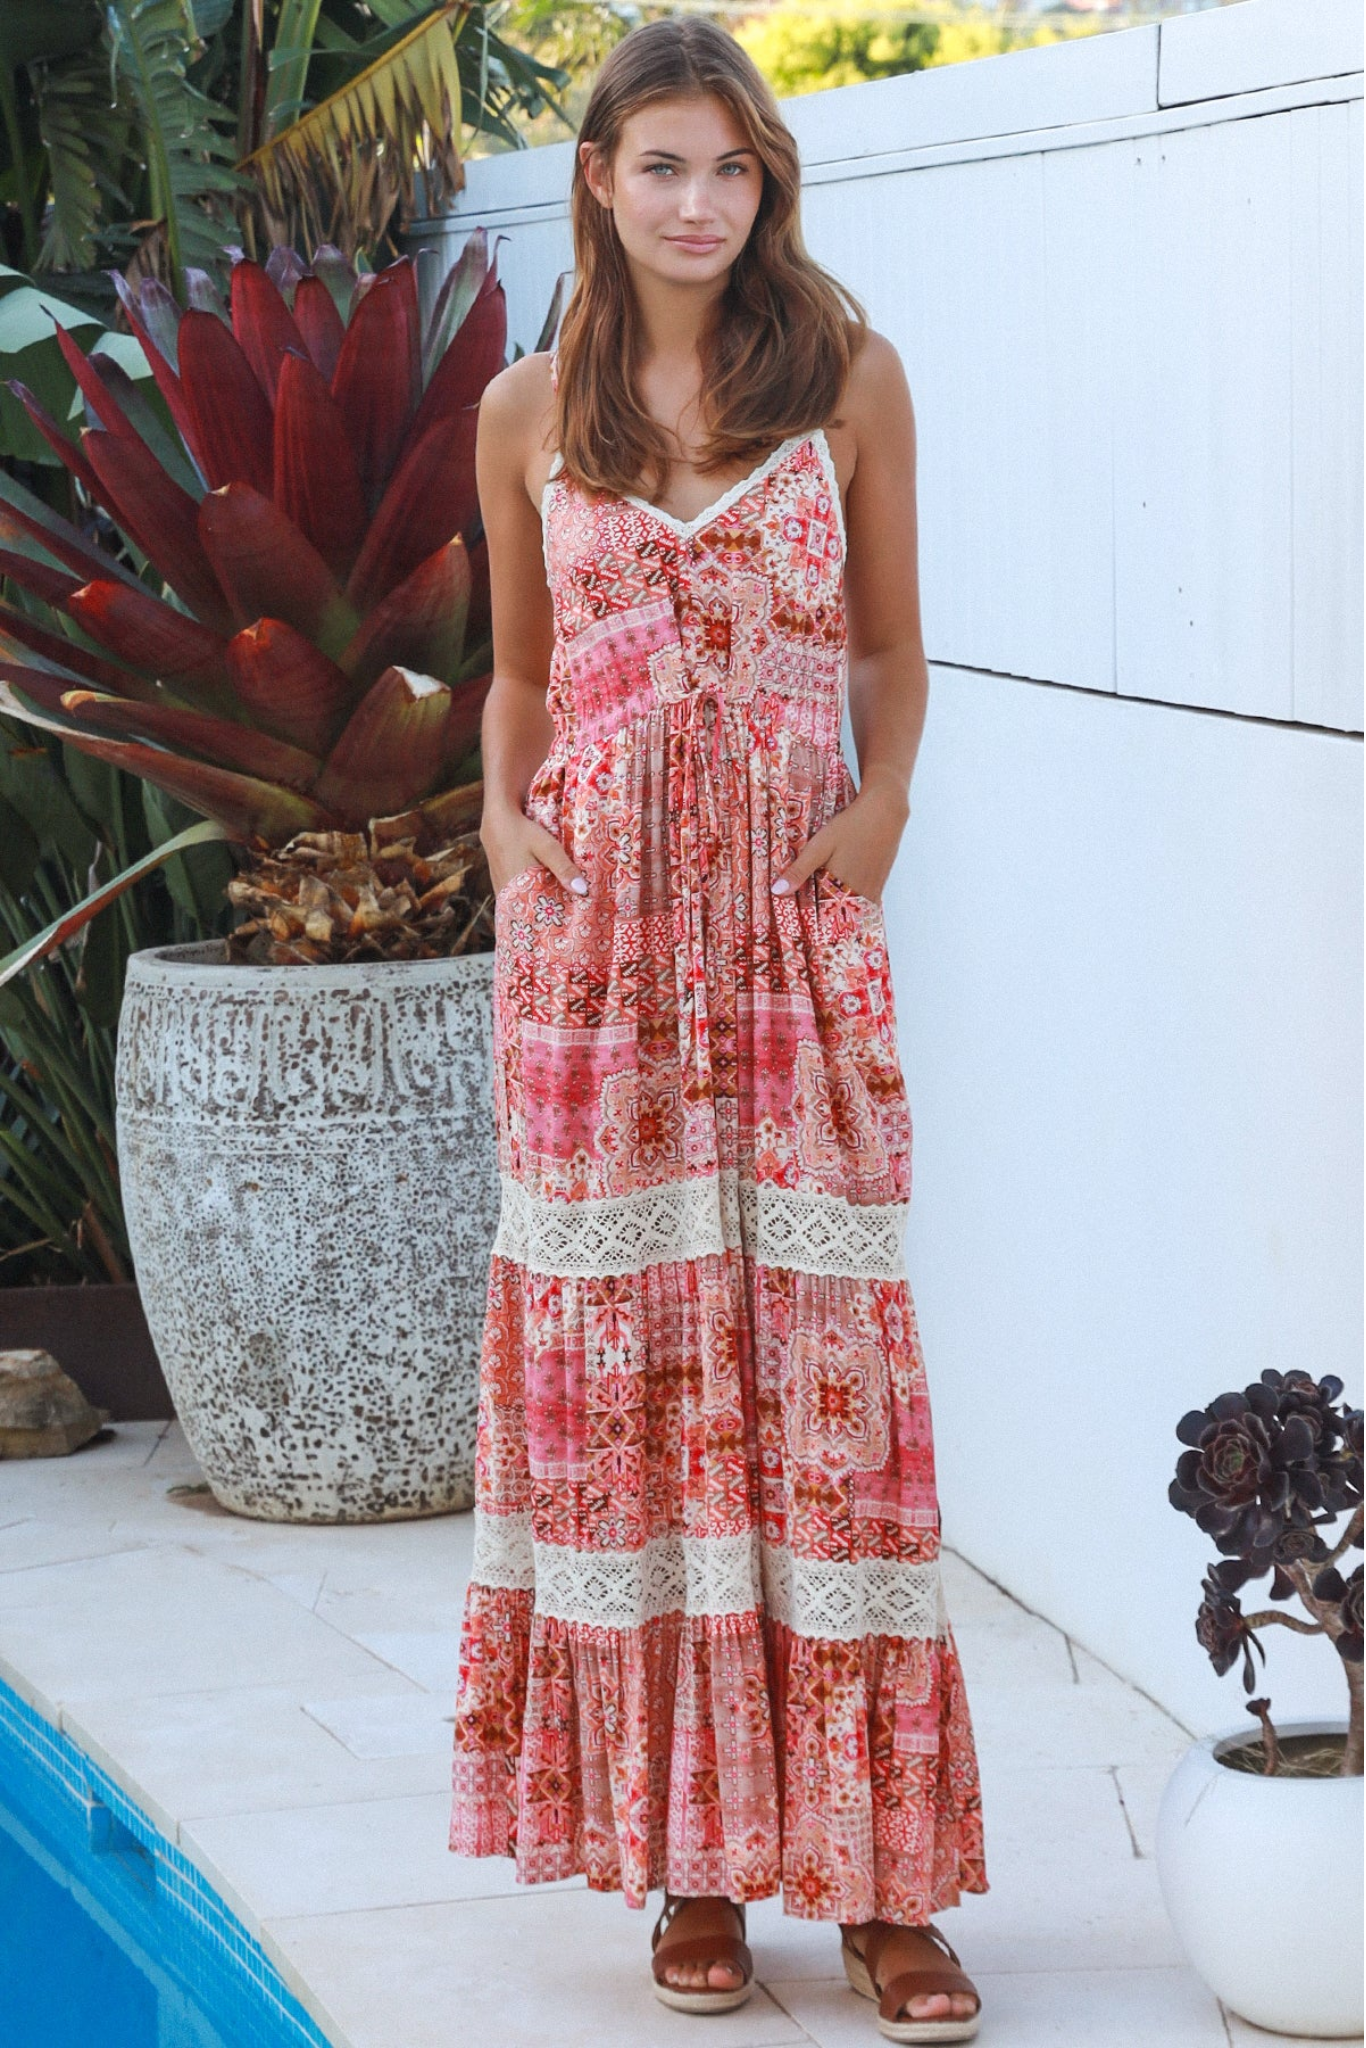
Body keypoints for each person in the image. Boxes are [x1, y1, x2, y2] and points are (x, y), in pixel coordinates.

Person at [450, 16, 988, 2040]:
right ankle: (692, 1870)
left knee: (825, 1384)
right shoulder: (524, 411)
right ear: (595, 177)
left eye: (730, 170)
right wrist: (508, 832)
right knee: (639, 1399)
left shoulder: (844, 378)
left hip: (785, 924)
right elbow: (515, 682)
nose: (697, 203)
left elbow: (885, 651)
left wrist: (873, 816)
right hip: (597, 955)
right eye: (660, 165)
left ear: (764, 186)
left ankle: (883, 1883)